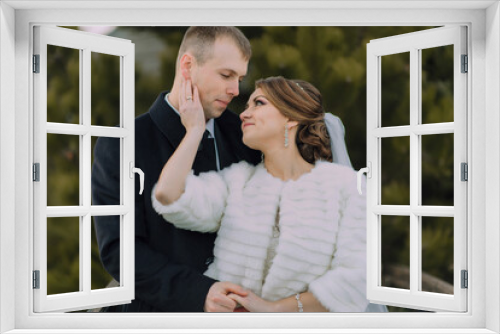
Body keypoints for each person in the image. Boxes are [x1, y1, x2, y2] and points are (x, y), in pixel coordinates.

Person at [152, 76, 386, 312]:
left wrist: (273, 310)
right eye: (246, 106)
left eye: (259, 103)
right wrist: (194, 131)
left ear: (292, 117)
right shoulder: (237, 181)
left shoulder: (347, 186)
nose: (244, 114)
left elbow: (357, 277)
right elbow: (168, 195)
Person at [91, 27, 262, 312]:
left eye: (240, 79)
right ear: (187, 65)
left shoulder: (246, 136)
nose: (235, 90)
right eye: (226, 75)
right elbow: (120, 251)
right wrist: (199, 293)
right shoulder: (122, 143)